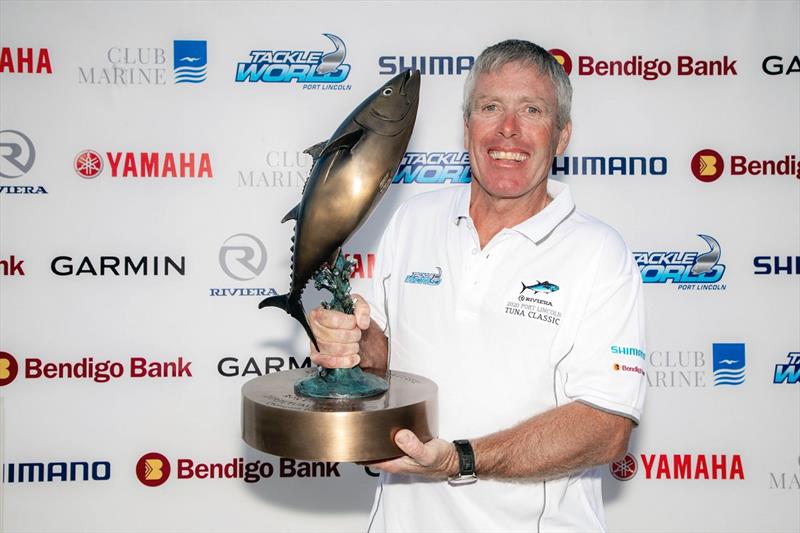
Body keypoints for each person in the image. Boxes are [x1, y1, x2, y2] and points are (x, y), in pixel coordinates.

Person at [309, 39, 647, 533]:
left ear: (561, 136)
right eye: (490, 107)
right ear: (467, 127)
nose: (508, 129)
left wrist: (457, 459)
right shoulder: (413, 219)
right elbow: (381, 362)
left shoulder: (600, 254)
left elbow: (605, 427)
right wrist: (353, 343)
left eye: (531, 110)